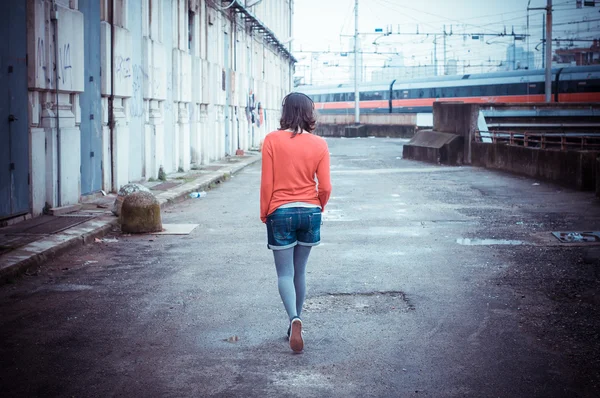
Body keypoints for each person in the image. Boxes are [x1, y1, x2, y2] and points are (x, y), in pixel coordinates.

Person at [260, 92, 332, 353]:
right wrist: (318, 207)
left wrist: (264, 211)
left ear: (285, 111)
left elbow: (267, 182)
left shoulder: (271, 140)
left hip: (280, 211)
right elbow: (325, 186)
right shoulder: (320, 144)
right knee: (300, 272)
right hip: (310, 211)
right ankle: (295, 325)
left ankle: (293, 318)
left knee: (284, 273)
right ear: (309, 112)